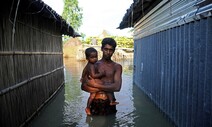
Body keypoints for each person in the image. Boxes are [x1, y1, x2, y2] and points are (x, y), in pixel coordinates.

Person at [81, 38, 122, 115]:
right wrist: (106, 87)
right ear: (101, 49)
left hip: (110, 102)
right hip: (95, 101)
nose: (108, 52)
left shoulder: (117, 67)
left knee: (111, 123)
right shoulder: (93, 65)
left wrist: (95, 85)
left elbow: (117, 87)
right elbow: (83, 86)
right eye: (106, 49)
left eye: (111, 50)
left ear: (114, 51)